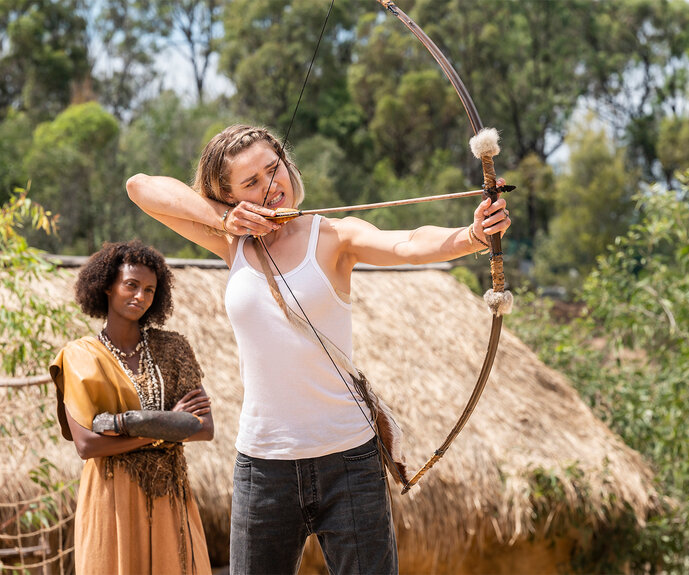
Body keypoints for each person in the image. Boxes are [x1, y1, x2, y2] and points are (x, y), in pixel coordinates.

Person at [126, 124, 511, 574]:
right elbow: (141, 188)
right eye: (250, 182)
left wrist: (472, 235)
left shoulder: (331, 236)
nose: (271, 186)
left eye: (274, 169)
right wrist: (224, 219)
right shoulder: (232, 243)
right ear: (227, 194)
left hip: (348, 460)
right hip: (263, 464)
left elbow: (406, 243)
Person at [49, 240, 214, 575]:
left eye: (150, 290)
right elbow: (87, 444)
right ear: (108, 286)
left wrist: (126, 425)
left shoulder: (174, 348)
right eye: (131, 285)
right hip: (111, 497)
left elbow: (204, 428)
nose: (141, 296)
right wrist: (168, 427)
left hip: (170, 492)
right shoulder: (79, 356)